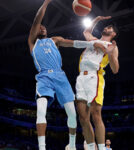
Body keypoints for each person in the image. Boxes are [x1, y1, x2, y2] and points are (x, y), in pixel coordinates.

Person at [28, 0, 105, 150]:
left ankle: (71, 144)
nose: (42, 27)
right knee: (41, 110)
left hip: (60, 76)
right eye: (40, 27)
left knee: (72, 113)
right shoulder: (32, 42)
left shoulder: (54, 40)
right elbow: (38, 19)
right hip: (44, 77)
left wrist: (90, 44)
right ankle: (42, 147)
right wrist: (45, 3)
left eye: (44, 27)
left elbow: (73, 43)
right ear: (35, 30)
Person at [75, 16, 119, 150]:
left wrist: (111, 55)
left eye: (109, 28)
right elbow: (86, 32)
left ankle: (101, 147)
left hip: (95, 77)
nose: (106, 28)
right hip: (81, 77)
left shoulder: (111, 46)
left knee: (95, 114)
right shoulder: (93, 40)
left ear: (113, 34)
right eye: (106, 27)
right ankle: (90, 146)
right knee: (83, 117)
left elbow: (115, 69)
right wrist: (97, 20)